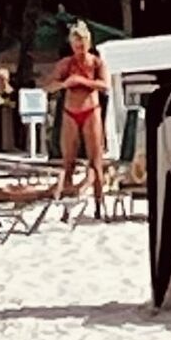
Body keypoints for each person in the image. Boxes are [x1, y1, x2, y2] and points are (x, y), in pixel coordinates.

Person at [46, 21, 111, 215]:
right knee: (68, 162)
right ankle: (67, 209)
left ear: (88, 44)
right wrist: (66, 83)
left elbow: (105, 85)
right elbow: (49, 86)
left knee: (95, 161)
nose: (79, 49)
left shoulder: (96, 63)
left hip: (91, 111)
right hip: (70, 113)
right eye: (76, 46)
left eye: (82, 45)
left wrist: (82, 81)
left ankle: (99, 205)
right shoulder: (66, 64)